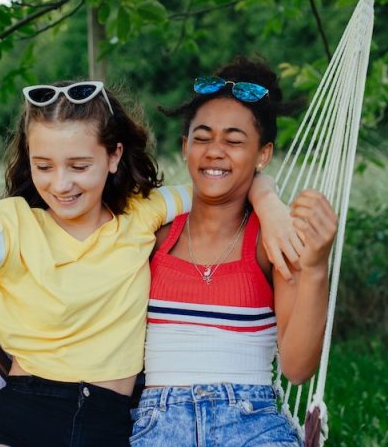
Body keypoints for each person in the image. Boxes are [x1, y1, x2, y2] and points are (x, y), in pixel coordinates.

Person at [0, 50, 298, 447]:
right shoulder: (11, 225)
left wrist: (270, 203)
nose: (61, 184)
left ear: (114, 156)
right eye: (44, 166)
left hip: (111, 423)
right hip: (25, 410)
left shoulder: (141, 213)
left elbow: (222, 179)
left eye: (79, 166)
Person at [130, 56, 337, 446]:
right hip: (158, 425)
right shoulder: (153, 236)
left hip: (251, 423)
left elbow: (296, 367)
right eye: (203, 138)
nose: (215, 151)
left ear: (263, 155)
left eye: (234, 141)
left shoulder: (271, 242)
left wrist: (316, 269)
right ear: (185, 146)